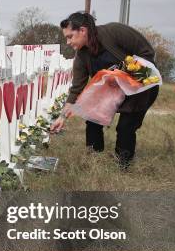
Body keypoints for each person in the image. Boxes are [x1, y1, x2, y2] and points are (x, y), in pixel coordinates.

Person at [50, 12, 159, 168]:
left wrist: (130, 72)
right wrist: (62, 118)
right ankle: (94, 159)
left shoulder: (115, 32)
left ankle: (123, 165)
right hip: (112, 90)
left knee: (125, 127)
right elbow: (76, 90)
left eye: (70, 36)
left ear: (82, 30)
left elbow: (147, 52)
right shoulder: (81, 56)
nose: (68, 42)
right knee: (93, 118)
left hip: (140, 87)